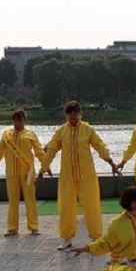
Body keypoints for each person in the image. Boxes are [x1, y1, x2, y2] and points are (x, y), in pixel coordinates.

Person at [39, 101, 119, 250]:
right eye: (70, 113)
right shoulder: (61, 131)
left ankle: (96, 238)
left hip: (86, 176)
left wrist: (111, 163)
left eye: (75, 112)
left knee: (91, 206)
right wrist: (43, 169)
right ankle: (66, 238)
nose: (73, 116)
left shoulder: (87, 129)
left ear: (79, 113)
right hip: (67, 177)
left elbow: (100, 146)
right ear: (66, 115)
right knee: (66, 207)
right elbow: (51, 150)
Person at [0, 110, 45, 236]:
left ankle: (33, 227)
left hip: (28, 172)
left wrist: (45, 165)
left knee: (30, 200)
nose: (18, 123)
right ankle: (12, 228)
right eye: (15, 120)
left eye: (20, 120)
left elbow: (39, 151)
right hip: (12, 173)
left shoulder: (30, 134)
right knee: (13, 201)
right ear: (13, 121)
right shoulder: (6, 135)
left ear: (25, 120)